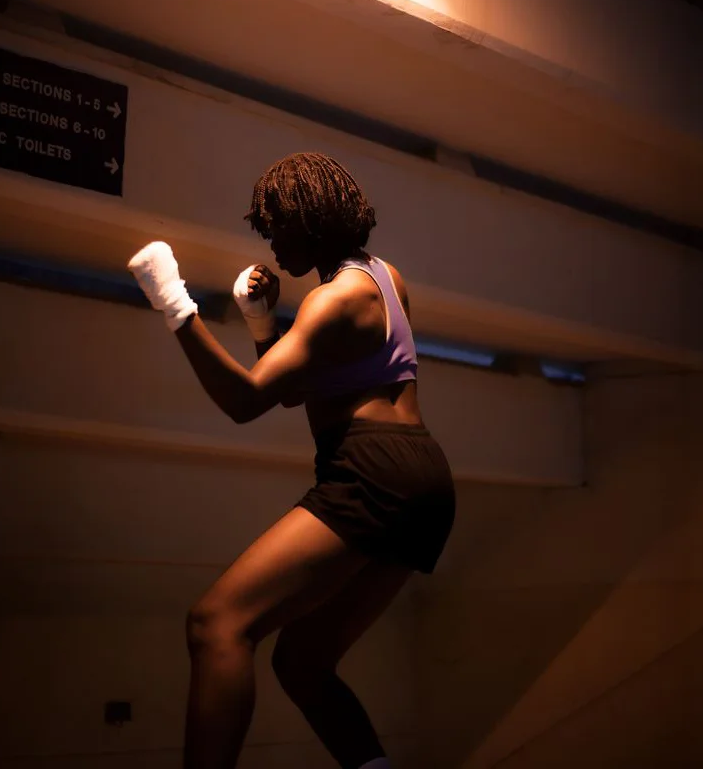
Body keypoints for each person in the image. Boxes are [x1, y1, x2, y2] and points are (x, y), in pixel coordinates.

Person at [127, 152, 456, 769]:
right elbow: (304, 388)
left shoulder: (330, 303)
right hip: (423, 481)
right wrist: (261, 324)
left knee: (215, 624)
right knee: (301, 665)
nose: (272, 243)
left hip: (371, 471)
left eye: (278, 227)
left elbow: (247, 401)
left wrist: (171, 299)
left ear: (310, 219)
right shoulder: (385, 277)